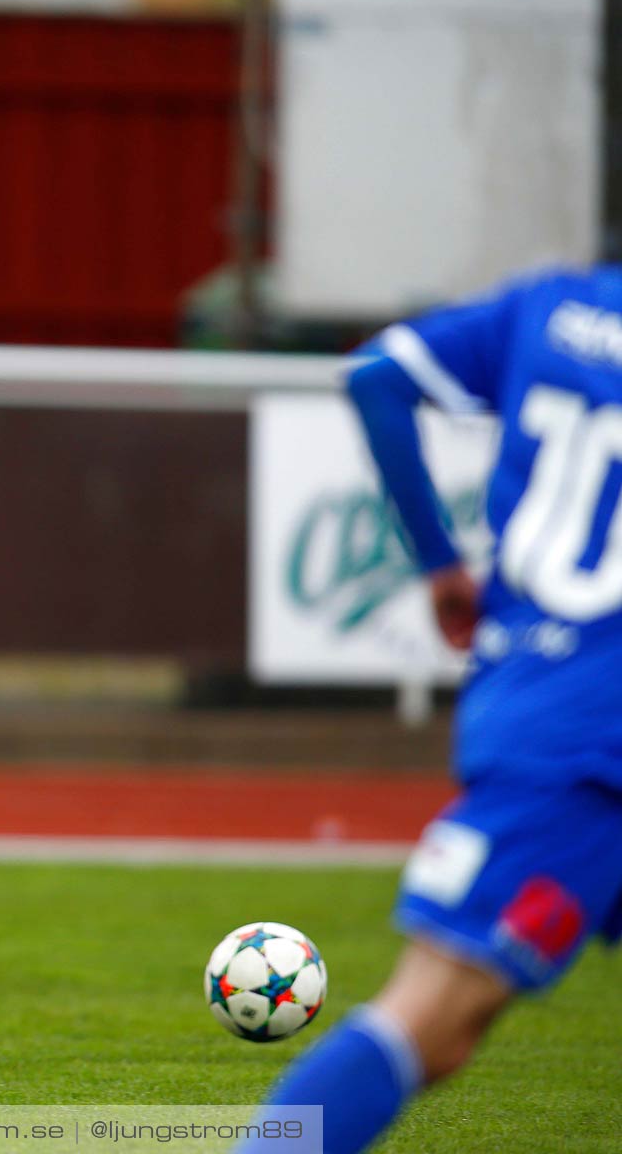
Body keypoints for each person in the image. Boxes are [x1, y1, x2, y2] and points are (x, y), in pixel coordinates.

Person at [236, 267, 622, 1153]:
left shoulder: (554, 308)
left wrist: (440, 562)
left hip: (567, 722)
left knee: (429, 1017)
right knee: (439, 1023)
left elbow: (378, 379)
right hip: (590, 737)